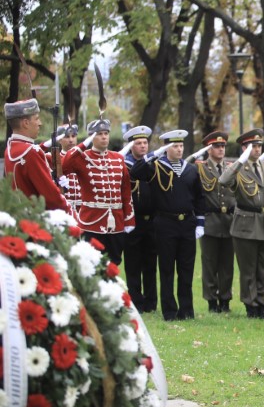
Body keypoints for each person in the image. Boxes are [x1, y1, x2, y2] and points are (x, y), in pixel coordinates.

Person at [131, 129, 205, 321]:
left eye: (181, 146)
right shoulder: (155, 167)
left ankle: (186, 310)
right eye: (175, 146)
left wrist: (200, 222)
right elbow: (135, 172)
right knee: (166, 269)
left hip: (187, 223)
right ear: (166, 148)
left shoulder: (190, 169)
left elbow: (199, 198)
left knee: (186, 268)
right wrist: (152, 154)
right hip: (165, 223)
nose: (179, 149)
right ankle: (170, 311)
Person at [220, 128, 264, 321]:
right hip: (246, 224)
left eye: (259, 146)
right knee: (248, 270)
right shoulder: (237, 169)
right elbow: (223, 181)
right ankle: (251, 305)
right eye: (253, 146)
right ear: (245, 148)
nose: (257, 149)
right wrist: (240, 161)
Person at [63, 118, 135, 265]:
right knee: (92, 265)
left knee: (114, 264)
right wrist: (84, 143)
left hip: (116, 222)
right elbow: (65, 165)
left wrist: (129, 219)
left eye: (106, 133)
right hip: (91, 222)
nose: (104, 137)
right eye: (99, 134)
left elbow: (126, 192)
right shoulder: (83, 157)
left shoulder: (117, 158)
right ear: (92, 137)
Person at [192, 131, 237, 313]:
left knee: (227, 265)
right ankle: (211, 301)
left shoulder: (231, 168)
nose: (220, 149)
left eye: (223, 146)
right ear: (208, 149)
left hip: (229, 221)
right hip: (210, 221)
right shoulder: (200, 168)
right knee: (209, 264)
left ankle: (225, 300)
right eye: (216, 146)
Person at [3, 99, 70, 212]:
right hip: (38, 219)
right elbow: (51, 197)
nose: (40, 123)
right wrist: (68, 209)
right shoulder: (31, 152)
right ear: (25, 123)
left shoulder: (10, 148)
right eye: (37, 118)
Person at [122, 125, 158, 312]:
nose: (143, 146)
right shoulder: (125, 164)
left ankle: (151, 302)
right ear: (131, 146)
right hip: (132, 221)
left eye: (145, 143)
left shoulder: (153, 164)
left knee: (150, 264)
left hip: (151, 221)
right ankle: (136, 300)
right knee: (133, 263)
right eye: (138, 143)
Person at [41, 124, 81, 217]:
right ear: (59, 139)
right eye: (67, 137)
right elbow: (35, 153)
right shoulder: (51, 158)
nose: (71, 140)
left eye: (73, 136)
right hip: (63, 209)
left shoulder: (84, 158)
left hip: (83, 210)